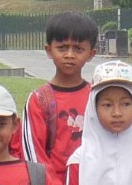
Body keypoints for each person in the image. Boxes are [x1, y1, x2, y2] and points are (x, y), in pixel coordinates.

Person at [26, 11, 99, 165]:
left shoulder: (97, 96)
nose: (69, 55)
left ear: (91, 54)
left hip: (92, 184)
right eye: (62, 48)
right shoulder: (39, 100)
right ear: (48, 50)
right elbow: (34, 154)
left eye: (78, 49)